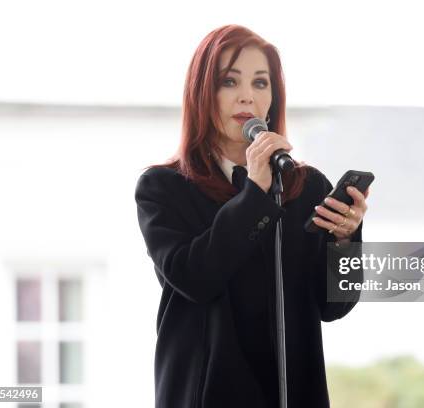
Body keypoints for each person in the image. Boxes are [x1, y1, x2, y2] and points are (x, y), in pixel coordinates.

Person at [135, 24, 370, 408]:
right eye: (230, 81)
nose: (247, 95)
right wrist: (254, 193)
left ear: (273, 98)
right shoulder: (163, 188)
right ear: (202, 93)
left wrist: (345, 239)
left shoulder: (307, 187)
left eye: (261, 84)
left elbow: (334, 307)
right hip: (207, 394)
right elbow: (194, 278)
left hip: (293, 392)